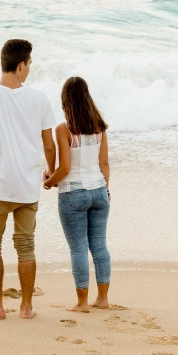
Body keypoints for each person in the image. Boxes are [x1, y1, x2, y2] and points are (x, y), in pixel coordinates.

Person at [0, 39, 56, 320]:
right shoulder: (39, 99)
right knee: (26, 245)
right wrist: (51, 172)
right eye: (29, 65)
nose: (29, 70)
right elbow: (49, 144)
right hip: (28, 188)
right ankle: (27, 307)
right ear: (20, 65)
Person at [43, 77, 111, 313]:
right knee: (100, 247)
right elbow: (104, 163)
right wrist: (106, 190)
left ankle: (82, 302)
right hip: (100, 191)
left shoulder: (65, 129)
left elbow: (65, 169)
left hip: (74, 193)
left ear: (66, 101)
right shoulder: (100, 127)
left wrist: (49, 182)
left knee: (79, 249)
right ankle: (102, 299)